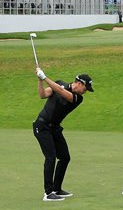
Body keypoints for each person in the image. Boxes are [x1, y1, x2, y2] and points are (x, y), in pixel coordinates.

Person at [32, 67, 94, 202]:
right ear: (79, 83)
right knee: (50, 157)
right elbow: (42, 95)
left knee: (65, 157)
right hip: (42, 126)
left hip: (54, 129)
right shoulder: (59, 83)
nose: (86, 91)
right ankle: (48, 193)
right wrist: (40, 80)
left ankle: (56, 188)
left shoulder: (78, 98)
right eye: (85, 88)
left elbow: (60, 91)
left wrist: (44, 77)